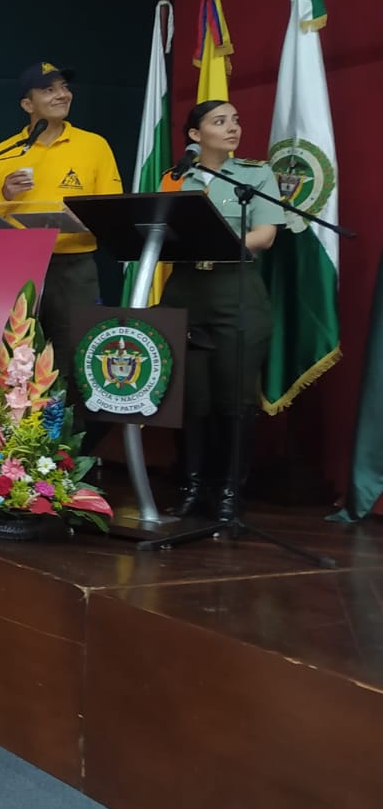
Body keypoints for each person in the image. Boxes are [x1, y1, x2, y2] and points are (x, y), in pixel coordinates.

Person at [0, 63, 123, 421]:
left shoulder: (93, 146)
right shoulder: (5, 151)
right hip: (19, 267)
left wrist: (77, 220)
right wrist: (5, 194)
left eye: (63, 87)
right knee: (14, 354)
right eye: (48, 90)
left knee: (75, 356)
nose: (62, 95)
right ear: (28, 105)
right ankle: (12, 445)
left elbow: (113, 209)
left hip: (74, 267)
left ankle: (65, 450)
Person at [161, 100, 284, 521]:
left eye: (235, 119)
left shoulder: (256, 174)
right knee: (192, 397)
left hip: (236, 288)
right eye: (219, 122)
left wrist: (217, 243)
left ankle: (230, 493)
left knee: (234, 396)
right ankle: (193, 487)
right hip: (186, 290)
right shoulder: (175, 179)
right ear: (195, 135)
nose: (232, 128)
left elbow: (265, 234)